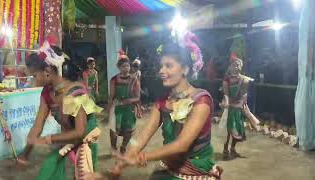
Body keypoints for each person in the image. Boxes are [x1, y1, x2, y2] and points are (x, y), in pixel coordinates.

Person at [107, 32, 222, 180]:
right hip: (171, 164)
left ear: (185, 69)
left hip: (196, 167)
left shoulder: (201, 100)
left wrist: (142, 157)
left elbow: (182, 144)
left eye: (168, 66)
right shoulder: (162, 102)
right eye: (161, 66)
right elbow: (142, 136)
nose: (161, 71)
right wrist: (122, 162)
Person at [18, 41, 103, 179]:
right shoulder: (47, 93)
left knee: (78, 174)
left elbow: (80, 132)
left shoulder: (74, 92)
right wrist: (25, 155)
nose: (33, 80)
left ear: (47, 72)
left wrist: (48, 139)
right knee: (49, 169)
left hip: (85, 141)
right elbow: (37, 126)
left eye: (34, 75)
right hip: (69, 138)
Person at [222, 53, 255, 158]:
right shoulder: (226, 80)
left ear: (241, 67)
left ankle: (232, 148)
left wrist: (243, 102)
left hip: (238, 107)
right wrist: (226, 102)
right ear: (230, 67)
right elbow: (226, 93)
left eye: (238, 65)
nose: (236, 67)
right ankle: (225, 148)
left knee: (238, 128)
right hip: (230, 107)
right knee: (229, 129)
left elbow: (244, 93)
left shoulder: (244, 79)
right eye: (234, 65)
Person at [108, 50, 140, 154]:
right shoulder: (114, 80)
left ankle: (123, 146)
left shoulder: (134, 79)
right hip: (117, 108)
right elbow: (111, 96)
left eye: (127, 66)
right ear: (118, 67)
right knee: (113, 131)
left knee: (129, 131)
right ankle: (113, 148)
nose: (126, 68)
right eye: (123, 66)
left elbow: (137, 97)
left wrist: (128, 101)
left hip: (129, 109)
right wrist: (109, 110)